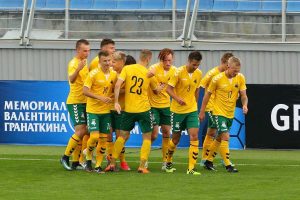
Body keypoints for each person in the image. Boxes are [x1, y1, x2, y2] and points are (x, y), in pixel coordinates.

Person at [105, 49, 157, 174]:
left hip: (129, 110)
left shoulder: (127, 69)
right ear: (149, 58)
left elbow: (117, 85)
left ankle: (112, 164)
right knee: (147, 138)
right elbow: (156, 90)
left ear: (140, 57)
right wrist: (159, 86)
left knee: (122, 136)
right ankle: (142, 166)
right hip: (144, 109)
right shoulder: (148, 72)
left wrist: (116, 101)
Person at [199, 56, 248, 173]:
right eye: (234, 71)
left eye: (238, 71)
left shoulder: (240, 78)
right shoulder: (217, 79)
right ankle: (228, 165)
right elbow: (207, 95)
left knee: (220, 137)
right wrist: (202, 111)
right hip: (217, 112)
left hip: (230, 113)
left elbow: (243, 95)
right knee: (225, 136)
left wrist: (245, 105)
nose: (236, 73)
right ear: (228, 66)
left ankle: (208, 160)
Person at [165, 51, 203, 175]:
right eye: (193, 64)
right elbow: (168, 89)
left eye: (197, 65)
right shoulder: (178, 72)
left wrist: (196, 106)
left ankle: (191, 168)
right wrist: (177, 99)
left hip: (191, 110)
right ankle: (168, 161)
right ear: (188, 61)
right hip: (177, 111)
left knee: (194, 136)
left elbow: (197, 91)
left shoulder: (199, 73)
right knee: (175, 139)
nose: (195, 67)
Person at [83, 50, 118, 173]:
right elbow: (85, 91)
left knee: (103, 139)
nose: (108, 63)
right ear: (100, 61)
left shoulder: (114, 74)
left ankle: (97, 165)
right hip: (93, 110)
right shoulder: (93, 74)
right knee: (94, 137)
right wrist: (101, 97)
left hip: (106, 112)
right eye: (105, 61)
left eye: (109, 60)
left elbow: (117, 88)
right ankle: (88, 160)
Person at [60, 39, 90, 171]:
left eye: (88, 50)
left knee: (84, 132)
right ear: (78, 50)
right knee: (81, 130)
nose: (87, 53)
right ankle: (65, 157)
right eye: (84, 50)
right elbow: (71, 79)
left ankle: (75, 161)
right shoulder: (74, 63)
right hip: (75, 101)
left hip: (85, 101)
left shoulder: (85, 62)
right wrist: (78, 69)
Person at [199, 53, 233, 166]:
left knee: (212, 132)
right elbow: (201, 85)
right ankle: (221, 159)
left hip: (221, 107)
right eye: (228, 65)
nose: (229, 68)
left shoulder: (229, 75)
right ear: (223, 62)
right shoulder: (213, 73)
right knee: (221, 133)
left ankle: (206, 158)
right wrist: (202, 109)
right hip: (212, 107)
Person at [147, 48, 177, 170]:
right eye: (165, 60)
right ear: (161, 60)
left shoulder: (175, 71)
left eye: (170, 60)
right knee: (153, 135)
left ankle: (165, 162)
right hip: (153, 106)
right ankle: (145, 158)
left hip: (166, 106)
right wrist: (158, 88)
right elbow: (154, 89)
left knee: (166, 132)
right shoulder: (153, 69)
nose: (168, 63)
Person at [109, 51, 131, 171]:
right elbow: (111, 90)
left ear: (122, 62)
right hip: (107, 108)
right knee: (107, 136)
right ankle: (110, 160)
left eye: (114, 62)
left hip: (121, 109)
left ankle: (121, 161)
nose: (111, 64)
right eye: (111, 61)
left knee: (120, 136)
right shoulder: (111, 73)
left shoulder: (126, 73)